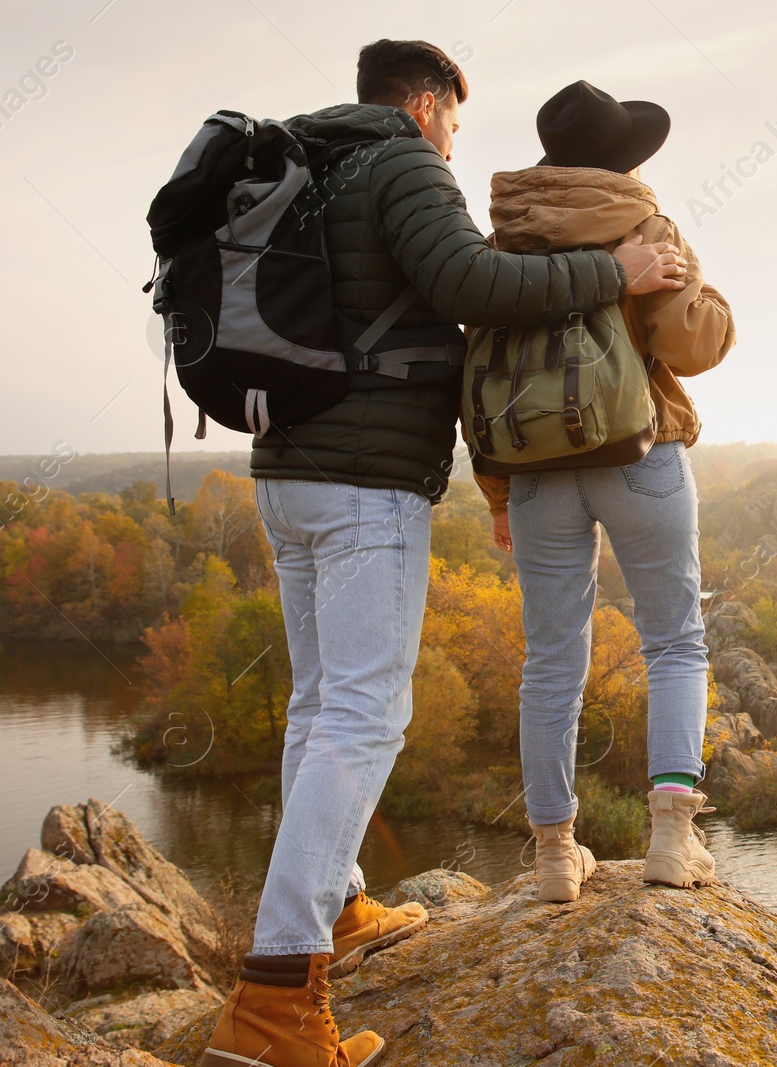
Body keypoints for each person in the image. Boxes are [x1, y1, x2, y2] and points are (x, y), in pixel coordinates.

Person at [201, 43, 687, 1067]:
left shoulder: (306, 162)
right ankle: (277, 998)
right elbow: (469, 280)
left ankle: (331, 907)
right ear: (425, 103)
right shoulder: (401, 159)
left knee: (316, 703)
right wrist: (618, 269)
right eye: (456, 124)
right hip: (363, 482)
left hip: (285, 472)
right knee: (366, 713)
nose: (455, 142)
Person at [473, 81, 734, 904]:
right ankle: (670, 837)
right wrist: (709, 297)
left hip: (534, 472)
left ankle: (555, 853)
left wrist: (493, 492)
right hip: (637, 454)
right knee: (675, 642)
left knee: (551, 661)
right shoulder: (639, 224)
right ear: (622, 158)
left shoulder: (500, 238)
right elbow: (692, 345)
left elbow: (478, 372)